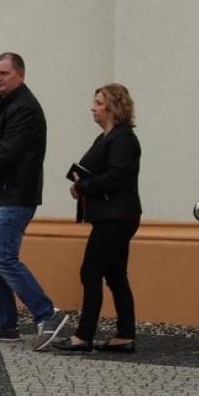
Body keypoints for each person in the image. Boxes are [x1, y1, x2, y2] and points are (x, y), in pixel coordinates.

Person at [0, 53, 71, 350]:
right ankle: (5, 324)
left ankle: (48, 314)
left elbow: (8, 153)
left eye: (4, 73)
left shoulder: (24, 109)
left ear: (21, 75)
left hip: (16, 196)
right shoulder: (3, 106)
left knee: (4, 258)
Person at [54, 84, 142, 353]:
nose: (93, 107)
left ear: (114, 107)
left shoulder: (123, 139)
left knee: (90, 271)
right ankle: (125, 334)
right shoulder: (104, 138)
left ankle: (84, 336)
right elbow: (93, 172)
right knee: (115, 275)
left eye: (99, 103)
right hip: (112, 215)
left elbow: (115, 176)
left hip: (117, 217)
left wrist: (85, 187)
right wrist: (79, 185)